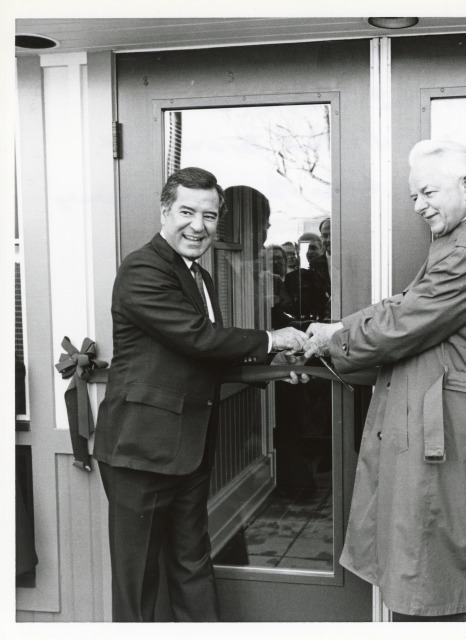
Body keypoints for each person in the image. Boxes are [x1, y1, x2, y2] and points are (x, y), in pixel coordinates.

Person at [303, 140, 466, 620]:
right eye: (413, 197)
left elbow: (402, 324)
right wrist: (342, 326)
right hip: (453, 433)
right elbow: (405, 304)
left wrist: (332, 339)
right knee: (448, 566)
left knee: (453, 575)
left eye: (427, 192)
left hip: (455, 438)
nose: (419, 206)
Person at [93, 167, 307, 622]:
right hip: (140, 453)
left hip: (188, 451)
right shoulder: (142, 269)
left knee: (192, 566)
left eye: (209, 217)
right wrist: (273, 339)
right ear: (165, 211)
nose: (198, 226)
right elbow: (198, 338)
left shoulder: (201, 279)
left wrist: (274, 370)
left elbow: (207, 360)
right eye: (187, 212)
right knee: (139, 588)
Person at [310, 218, 332, 295]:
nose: (329, 240)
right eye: (325, 236)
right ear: (321, 238)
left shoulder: (351, 261)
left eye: (333, 235)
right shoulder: (314, 265)